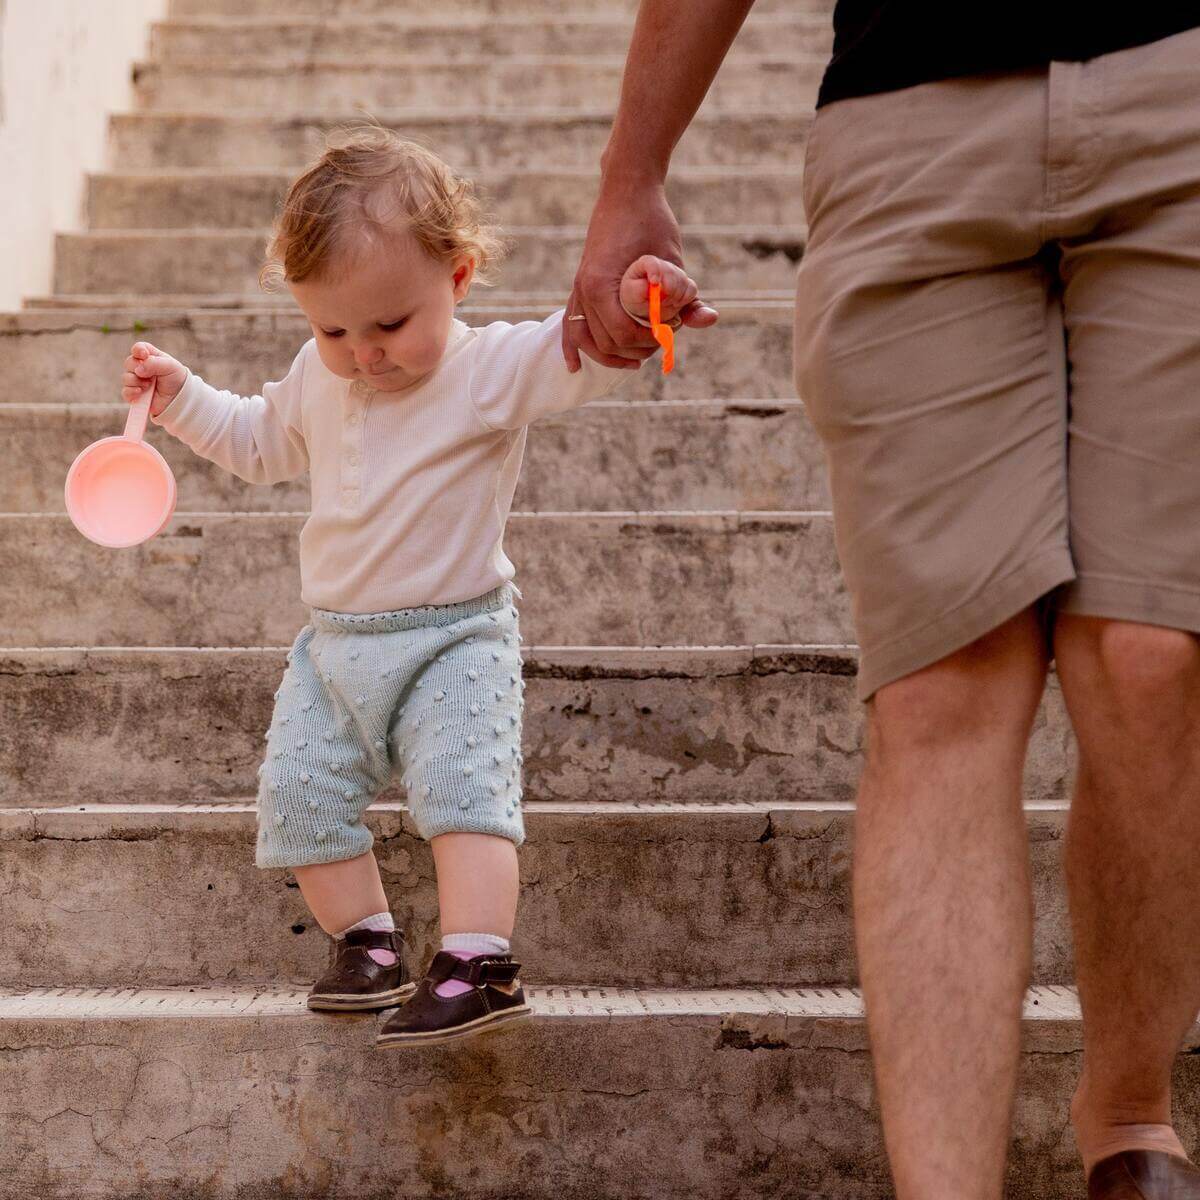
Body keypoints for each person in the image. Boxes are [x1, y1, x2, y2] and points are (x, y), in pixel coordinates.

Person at [564, 4, 1200, 1197]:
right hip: (909, 115)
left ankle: (1129, 1118)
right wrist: (633, 169)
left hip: (1184, 91)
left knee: (1152, 656)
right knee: (941, 686)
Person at [120, 126, 699, 1049]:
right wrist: (182, 395)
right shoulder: (321, 374)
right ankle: (370, 943)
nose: (365, 353)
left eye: (389, 324)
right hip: (334, 647)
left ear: (459, 278)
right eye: (333, 328)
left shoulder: (485, 370)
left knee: (463, 790)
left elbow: (581, 350)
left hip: (456, 635)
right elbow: (258, 443)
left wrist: (639, 305)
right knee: (300, 795)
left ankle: (478, 961)